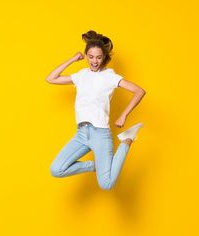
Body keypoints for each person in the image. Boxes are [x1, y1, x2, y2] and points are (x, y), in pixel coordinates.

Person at [45, 30, 146, 190]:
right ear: (85, 56)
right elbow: (51, 78)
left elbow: (139, 91)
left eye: (99, 57)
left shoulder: (110, 76)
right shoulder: (81, 75)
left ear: (104, 57)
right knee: (56, 169)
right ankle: (94, 166)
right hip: (81, 134)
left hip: (100, 134)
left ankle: (127, 139)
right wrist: (72, 59)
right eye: (90, 57)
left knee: (106, 184)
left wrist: (123, 115)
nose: (94, 61)